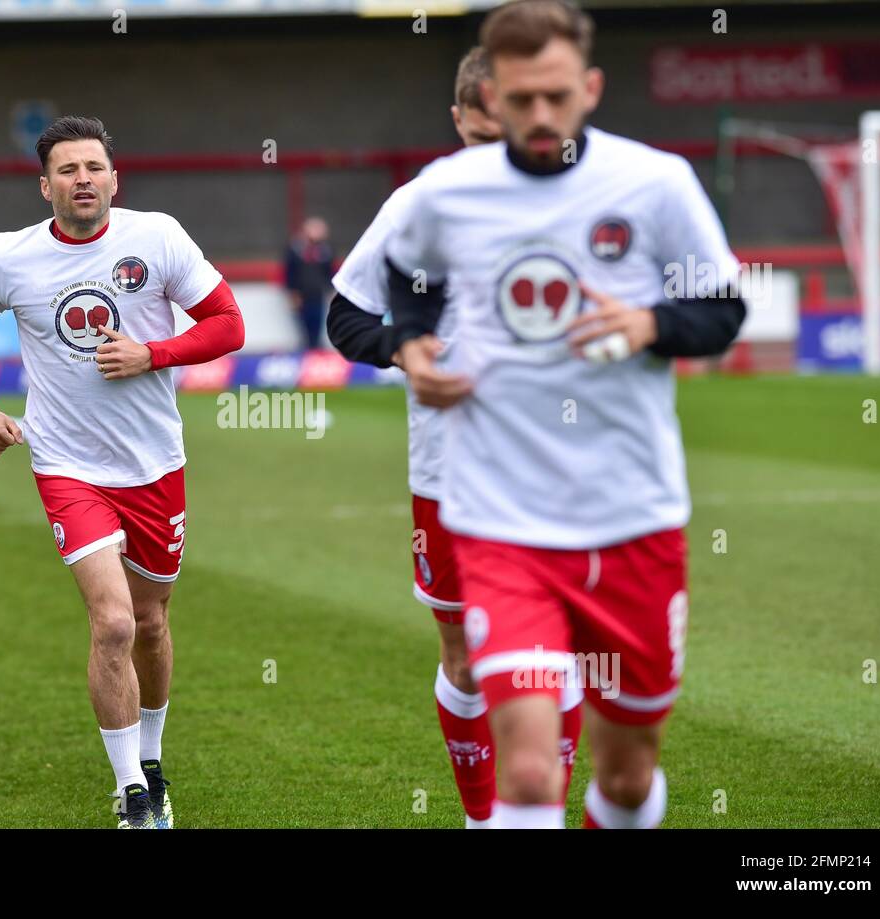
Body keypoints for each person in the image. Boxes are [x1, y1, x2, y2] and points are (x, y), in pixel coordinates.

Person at [386, 0, 746, 829]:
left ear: (589, 88)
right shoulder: (449, 191)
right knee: (526, 765)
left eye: (555, 96)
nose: (539, 117)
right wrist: (412, 348)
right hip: (502, 520)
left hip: (633, 517)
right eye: (520, 101)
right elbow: (399, 278)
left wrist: (650, 322)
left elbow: (722, 308)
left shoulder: (654, 183)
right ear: (493, 99)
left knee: (624, 778)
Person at [0, 115, 245, 828]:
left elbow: (228, 323)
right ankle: (134, 793)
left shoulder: (158, 237)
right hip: (66, 463)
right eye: (70, 170)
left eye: (95, 167)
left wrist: (154, 353)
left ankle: (153, 756)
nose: (84, 179)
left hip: (154, 464)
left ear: (115, 177)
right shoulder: (7, 258)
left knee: (149, 621)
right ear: (45, 184)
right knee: (110, 622)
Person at [327, 46, 583, 829]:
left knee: (556, 653)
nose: (493, 160)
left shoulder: (595, 197)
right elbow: (346, 315)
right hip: (451, 469)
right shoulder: (420, 203)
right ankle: (481, 819)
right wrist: (406, 349)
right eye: (478, 139)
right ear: (457, 121)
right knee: (468, 654)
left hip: (562, 463)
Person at [284, 217, 335, 350]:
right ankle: (307, 350)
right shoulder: (296, 249)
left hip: (318, 293)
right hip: (302, 294)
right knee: (304, 326)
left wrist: (330, 290)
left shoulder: (325, 251)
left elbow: (329, 272)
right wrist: (293, 293)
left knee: (317, 324)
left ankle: (315, 350)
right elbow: (290, 273)